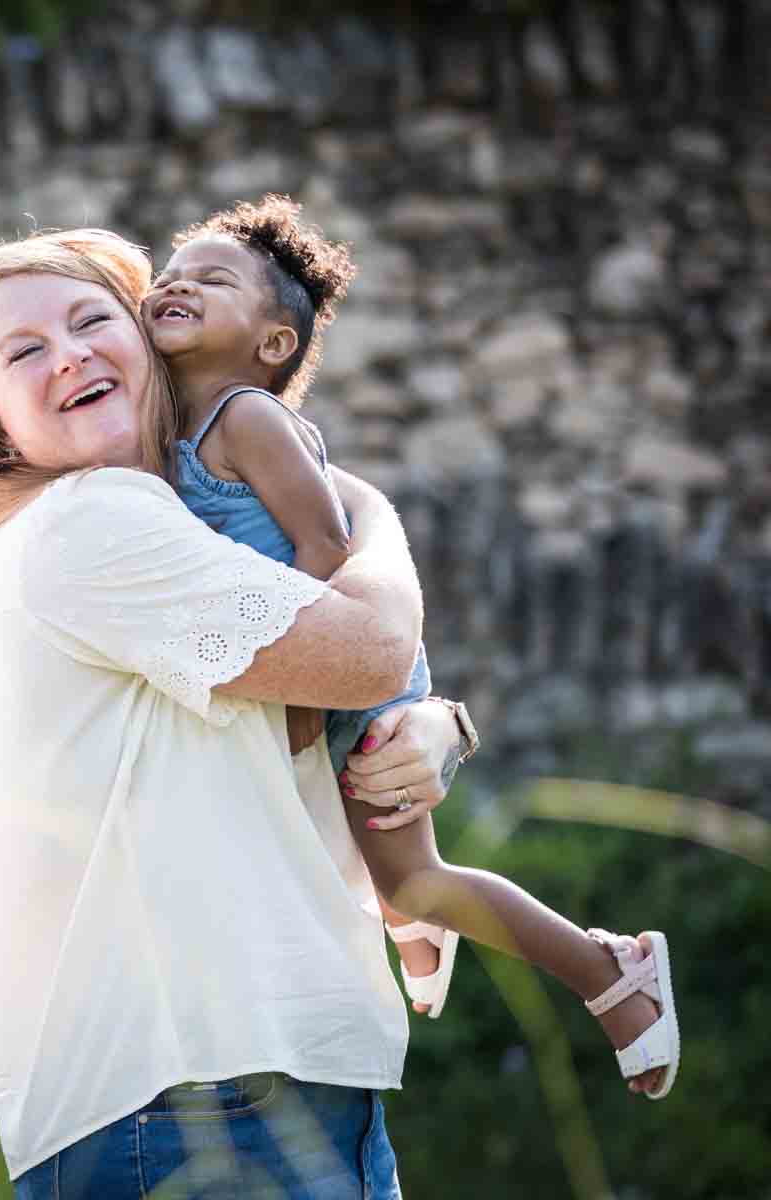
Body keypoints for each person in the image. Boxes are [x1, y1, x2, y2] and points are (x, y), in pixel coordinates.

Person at [0, 227, 470, 1196]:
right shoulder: (90, 521)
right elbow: (374, 651)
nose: (70, 355)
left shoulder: (196, 535)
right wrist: (371, 515)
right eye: (23, 353)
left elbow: (307, 727)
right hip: (190, 1104)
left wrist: (437, 727)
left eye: (94, 321)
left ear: (150, 342)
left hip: (263, 1085)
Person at [143, 193, 676, 1097]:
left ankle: (614, 976)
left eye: (212, 279)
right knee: (398, 883)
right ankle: (414, 923)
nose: (175, 284)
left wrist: (312, 696)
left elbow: (325, 547)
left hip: (352, 682)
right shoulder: (168, 436)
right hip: (312, 672)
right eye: (170, 274)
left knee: (420, 880)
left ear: (273, 344)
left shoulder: (246, 420)